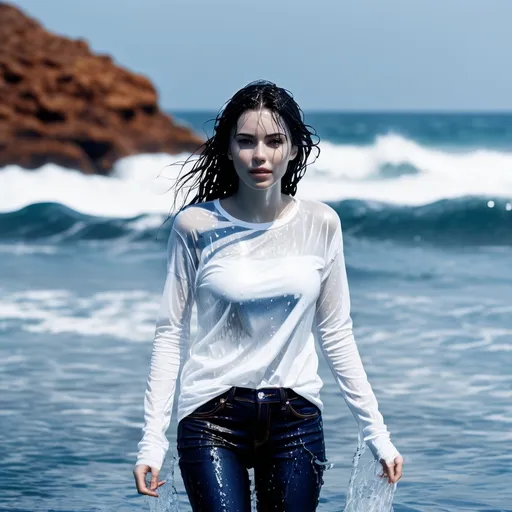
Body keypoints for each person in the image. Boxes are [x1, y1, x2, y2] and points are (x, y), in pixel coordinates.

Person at [133, 80, 403, 511]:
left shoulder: (322, 223)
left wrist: (377, 434)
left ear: (295, 149)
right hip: (210, 419)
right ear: (228, 149)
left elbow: (336, 333)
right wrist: (152, 441)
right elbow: (170, 334)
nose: (260, 154)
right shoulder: (196, 227)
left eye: (275, 141)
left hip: (295, 421)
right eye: (246, 141)